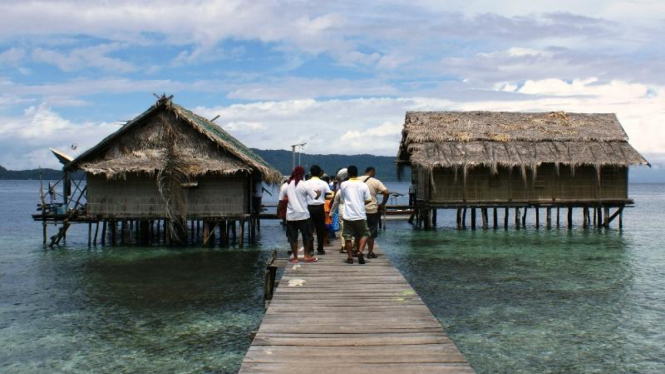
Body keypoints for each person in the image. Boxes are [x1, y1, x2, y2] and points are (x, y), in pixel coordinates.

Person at [278, 166, 320, 263]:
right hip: (304, 215)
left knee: (293, 238)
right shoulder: (304, 185)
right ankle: (306, 255)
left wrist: (278, 212)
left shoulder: (286, 185)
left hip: (291, 216)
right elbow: (315, 197)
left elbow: (280, 201)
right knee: (307, 236)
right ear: (302, 174)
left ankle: (296, 257)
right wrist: (318, 193)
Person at [339, 165, 371, 265]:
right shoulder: (363, 185)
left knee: (348, 237)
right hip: (360, 214)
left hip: (348, 215)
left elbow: (343, 198)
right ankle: (360, 251)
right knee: (365, 234)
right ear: (357, 173)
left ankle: (349, 257)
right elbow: (368, 199)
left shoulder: (344, 184)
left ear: (348, 173)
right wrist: (361, 204)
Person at [361, 167, 390, 258]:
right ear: (372, 172)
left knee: (359, 232)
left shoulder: (357, 180)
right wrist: (382, 204)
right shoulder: (375, 181)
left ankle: (358, 251)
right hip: (372, 209)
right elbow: (386, 192)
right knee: (371, 233)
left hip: (359, 210)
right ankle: (370, 252)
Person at [305, 165, 331, 255]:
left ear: (310, 173)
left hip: (309, 208)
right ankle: (320, 249)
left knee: (310, 229)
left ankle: (310, 248)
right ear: (320, 173)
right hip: (320, 207)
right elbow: (330, 195)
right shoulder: (324, 183)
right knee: (320, 229)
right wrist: (323, 197)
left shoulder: (306, 183)